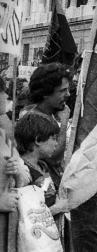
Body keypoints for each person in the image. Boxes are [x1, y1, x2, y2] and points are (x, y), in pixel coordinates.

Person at [0, 76, 30, 252]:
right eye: (2, 92)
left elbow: (25, 177)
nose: (6, 96)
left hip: (8, 233)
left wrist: (19, 171)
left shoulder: (3, 135)